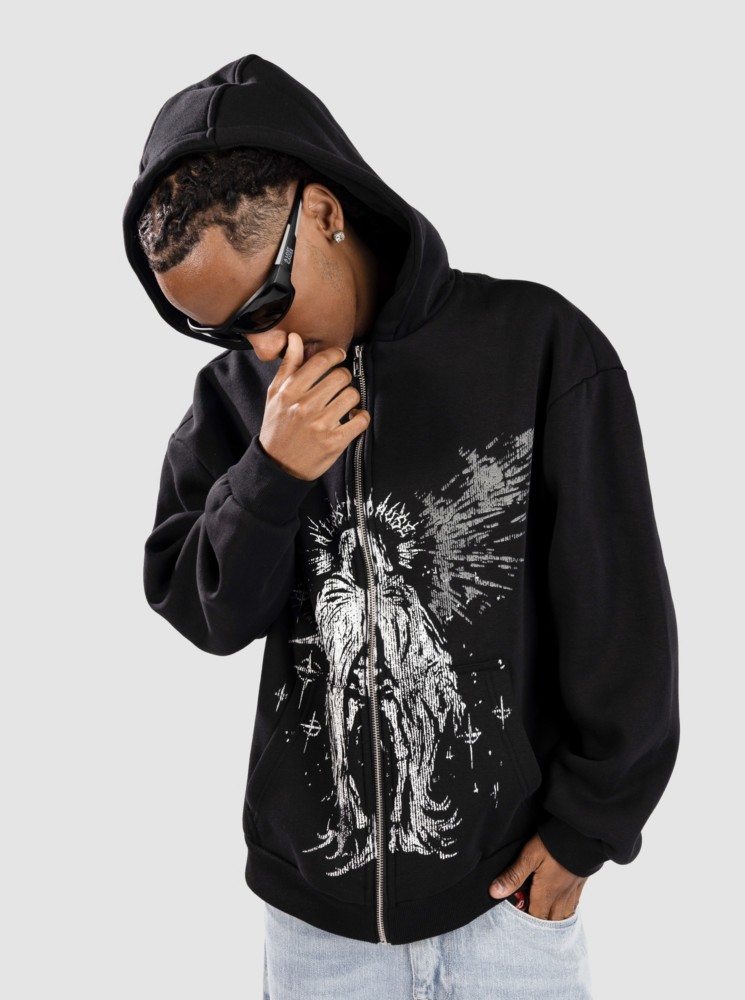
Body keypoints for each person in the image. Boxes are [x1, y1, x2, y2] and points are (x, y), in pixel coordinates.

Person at [123, 54, 680, 999]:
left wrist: (587, 829)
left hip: (508, 899)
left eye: (264, 305)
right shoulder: (236, 402)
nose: (261, 345)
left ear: (323, 214)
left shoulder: (538, 347)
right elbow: (206, 613)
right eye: (220, 330)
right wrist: (271, 474)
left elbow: (617, 614)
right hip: (315, 927)